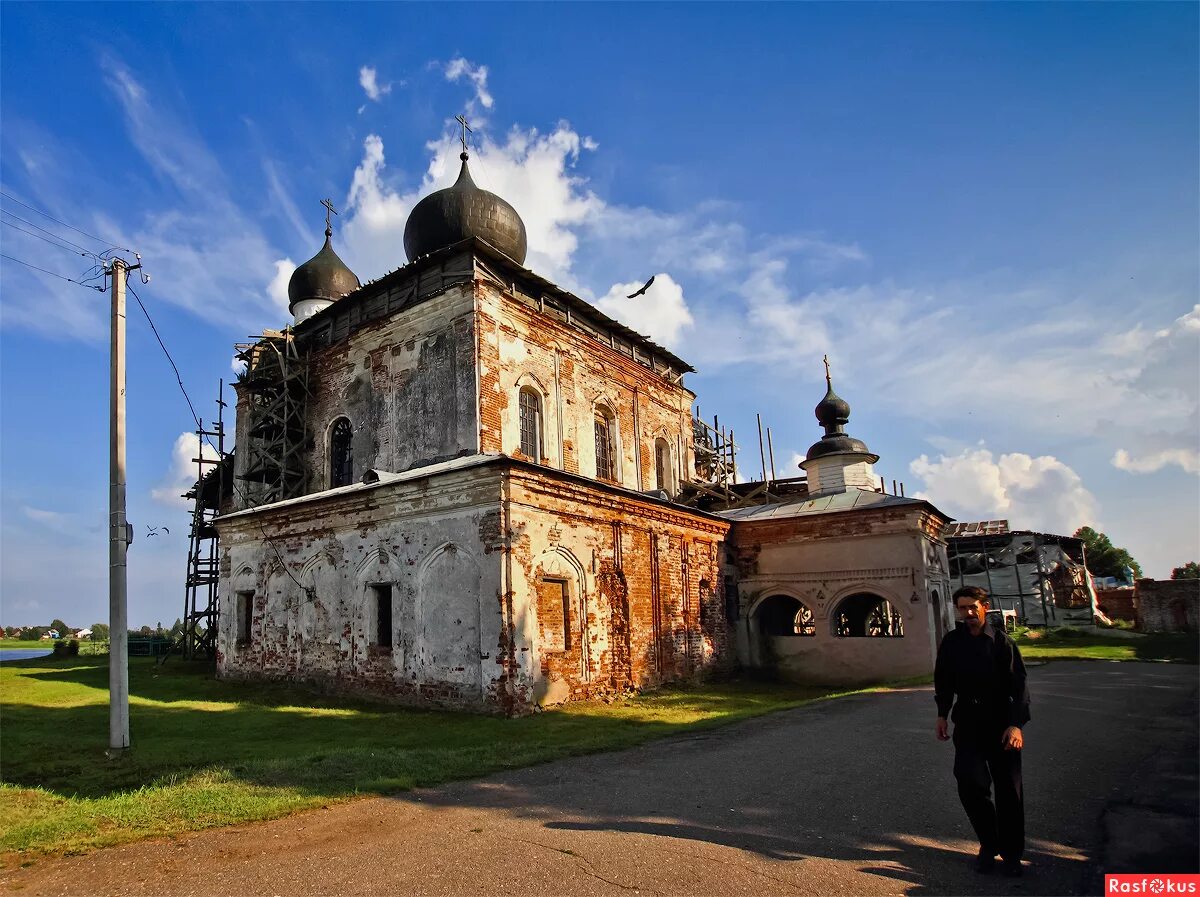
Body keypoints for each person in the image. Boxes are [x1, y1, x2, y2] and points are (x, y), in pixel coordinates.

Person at [935, 585, 1031, 877]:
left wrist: (1016, 724)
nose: (967, 613)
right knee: (969, 782)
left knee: (1009, 792)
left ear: (984, 607)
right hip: (968, 722)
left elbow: (1020, 687)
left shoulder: (1002, 643)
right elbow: (944, 679)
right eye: (962, 608)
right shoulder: (952, 642)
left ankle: (1012, 855)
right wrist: (942, 713)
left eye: (972, 607)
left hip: (1001, 724)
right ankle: (989, 844)